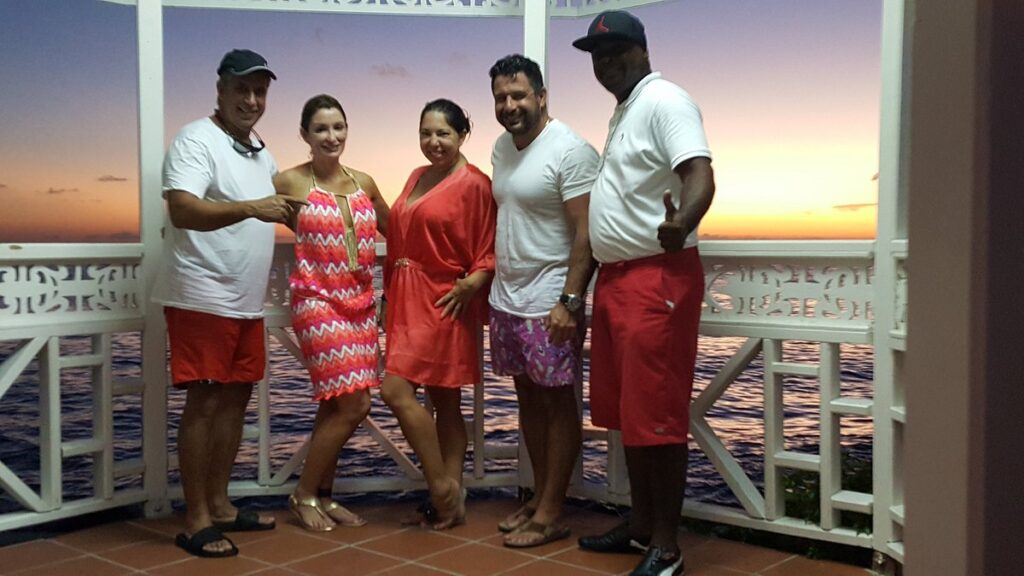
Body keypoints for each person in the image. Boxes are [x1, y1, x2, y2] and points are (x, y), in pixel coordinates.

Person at [572, 11, 715, 576]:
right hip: (617, 279)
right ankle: (639, 525)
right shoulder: (626, 108)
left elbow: (699, 174)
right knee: (631, 413)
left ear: (643, 50)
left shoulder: (665, 101)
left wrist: (684, 222)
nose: (604, 63)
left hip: (657, 276)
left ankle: (667, 545)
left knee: (657, 415)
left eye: (615, 51)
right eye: (596, 55)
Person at [153, 49, 295, 558]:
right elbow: (183, 209)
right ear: (220, 89)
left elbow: (278, 209)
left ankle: (220, 504)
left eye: (260, 91)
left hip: (245, 300)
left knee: (236, 400)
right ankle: (195, 519)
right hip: (201, 295)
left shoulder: (260, 151)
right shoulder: (196, 139)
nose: (252, 100)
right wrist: (252, 208)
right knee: (206, 402)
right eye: (242, 89)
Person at [486, 54, 598, 548]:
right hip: (507, 298)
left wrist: (570, 301)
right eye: (501, 97)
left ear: (542, 96)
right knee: (527, 399)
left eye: (519, 95)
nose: (510, 105)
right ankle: (537, 497)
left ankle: (553, 510)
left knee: (557, 404)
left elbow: (586, 231)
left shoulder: (570, 150)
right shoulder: (501, 147)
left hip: (550, 300)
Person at [274, 94, 390, 531]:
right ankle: (302, 493)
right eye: (320, 129)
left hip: (361, 304)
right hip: (317, 301)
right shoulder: (289, 182)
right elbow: (253, 216)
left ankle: (324, 495)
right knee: (355, 403)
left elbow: (398, 230)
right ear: (304, 134)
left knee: (334, 404)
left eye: (338, 127)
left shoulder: (365, 182)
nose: (331, 136)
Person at [379, 99, 497, 530]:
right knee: (443, 400)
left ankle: (441, 488)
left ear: (463, 134)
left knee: (396, 391)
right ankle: (453, 495)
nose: (434, 142)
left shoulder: (475, 184)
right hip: (406, 298)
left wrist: (474, 282)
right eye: (426, 133)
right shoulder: (416, 175)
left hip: (445, 300)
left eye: (443, 133)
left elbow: (490, 245)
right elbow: (398, 239)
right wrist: (388, 295)